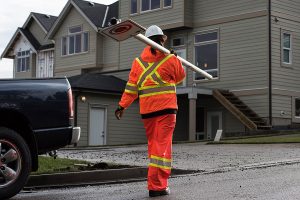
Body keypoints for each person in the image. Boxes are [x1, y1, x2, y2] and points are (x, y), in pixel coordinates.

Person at [115, 25, 186, 197]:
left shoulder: (138, 63)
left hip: (148, 113)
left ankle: (156, 184)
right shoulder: (170, 59)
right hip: (166, 111)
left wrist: (122, 106)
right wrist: (175, 59)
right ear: (162, 39)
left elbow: (131, 89)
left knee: (155, 148)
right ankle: (157, 186)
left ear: (147, 42)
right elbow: (180, 77)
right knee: (161, 150)